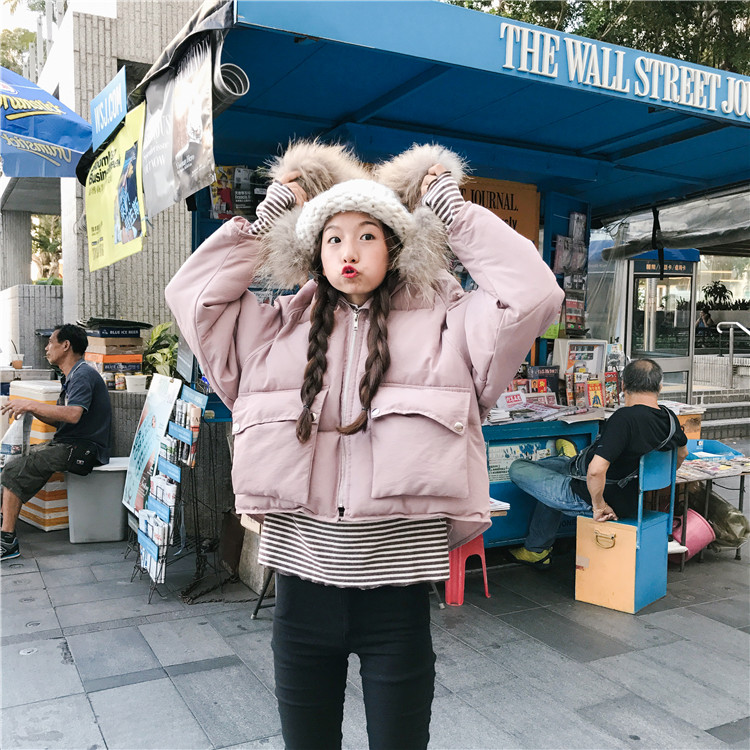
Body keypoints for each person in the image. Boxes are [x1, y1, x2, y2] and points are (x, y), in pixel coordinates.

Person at [165, 140, 563, 750]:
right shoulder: (271, 332)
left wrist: (450, 209)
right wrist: (270, 217)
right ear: (314, 251)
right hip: (300, 598)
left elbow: (533, 294)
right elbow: (193, 297)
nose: (348, 251)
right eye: (333, 238)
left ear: (396, 246)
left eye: (367, 236)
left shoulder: (453, 328)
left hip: (398, 604)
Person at [507, 358, 688, 568]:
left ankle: (536, 549)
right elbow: (682, 454)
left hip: (588, 495)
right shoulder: (669, 418)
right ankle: (536, 547)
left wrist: (599, 505)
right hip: (627, 497)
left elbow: (595, 471)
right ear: (660, 387)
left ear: (622, 386)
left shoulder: (624, 419)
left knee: (518, 468)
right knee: (552, 472)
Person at [1, 324, 112, 561]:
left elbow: (73, 415)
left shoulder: (82, 375)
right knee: (12, 461)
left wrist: (30, 404)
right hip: (69, 444)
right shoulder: (72, 376)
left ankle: (7, 542)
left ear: (66, 345)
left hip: (83, 450)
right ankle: (4, 526)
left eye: (50, 342)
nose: (46, 347)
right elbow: (61, 421)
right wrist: (31, 410)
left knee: (13, 470)